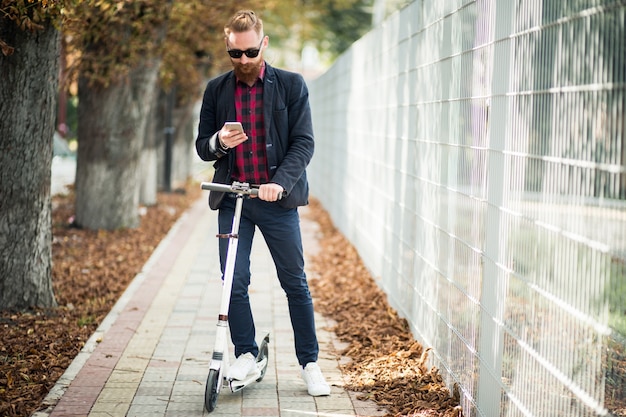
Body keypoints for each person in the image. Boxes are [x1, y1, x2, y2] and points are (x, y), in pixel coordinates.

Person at [195, 10, 330, 397]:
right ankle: (245, 353)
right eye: (235, 54)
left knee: (294, 282)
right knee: (232, 282)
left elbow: (304, 142)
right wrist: (219, 142)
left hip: (276, 200)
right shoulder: (217, 90)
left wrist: (278, 184)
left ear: (264, 44)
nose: (243, 61)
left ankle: (309, 363)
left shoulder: (291, 85)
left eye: (250, 52)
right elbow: (202, 147)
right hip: (233, 198)